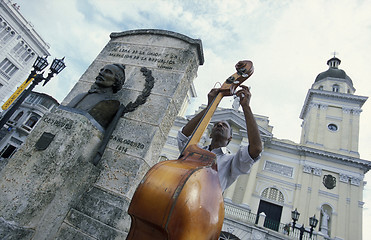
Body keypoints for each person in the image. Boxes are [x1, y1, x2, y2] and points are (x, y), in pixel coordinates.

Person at [177, 85, 262, 191]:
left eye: (225, 125)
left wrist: (246, 107)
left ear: (230, 138)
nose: (220, 125)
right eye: (216, 124)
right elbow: (183, 137)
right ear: (210, 134)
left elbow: (256, 148)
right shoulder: (194, 151)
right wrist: (210, 107)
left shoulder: (231, 162)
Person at [67, 64, 125, 128]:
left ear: (116, 81)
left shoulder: (111, 103)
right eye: (102, 70)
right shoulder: (81, 96)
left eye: (108, 72)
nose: (101, 73)